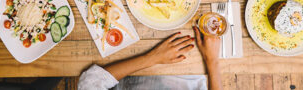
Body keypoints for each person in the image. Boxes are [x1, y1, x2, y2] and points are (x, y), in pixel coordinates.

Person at [78, 29, 222, 90]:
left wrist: (153, 57)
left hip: (127, 72)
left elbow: (90, 81)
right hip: (195, 68)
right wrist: (212, 60)